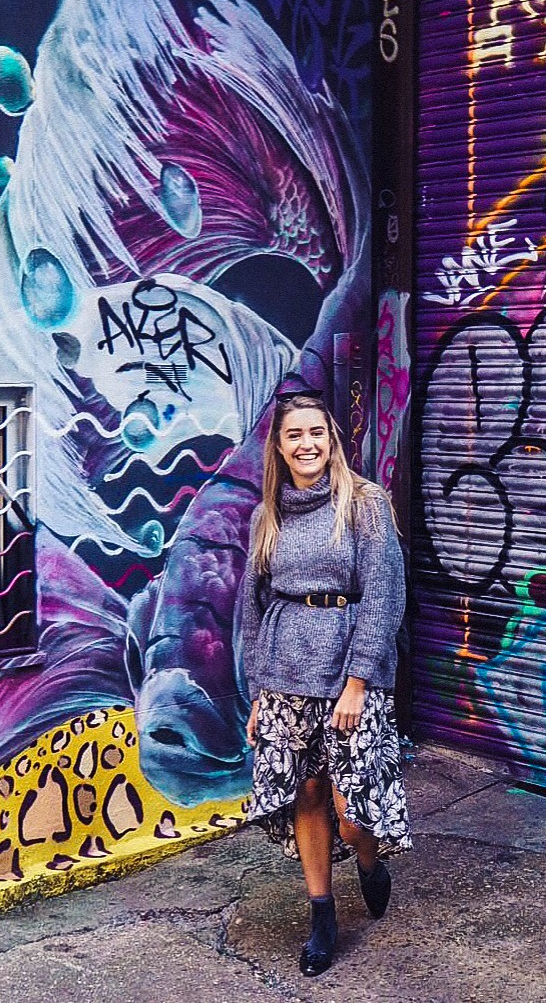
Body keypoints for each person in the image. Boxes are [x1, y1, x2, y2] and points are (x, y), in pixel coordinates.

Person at [241, 388, 411, 977]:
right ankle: (321, 913)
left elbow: (385, 595)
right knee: (307, 793)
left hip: (348, 673)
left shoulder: (364, 503)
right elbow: (253, 608)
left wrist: (359, 680)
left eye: (316, 432)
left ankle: (367, 859)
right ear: (279, 447)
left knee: (350, 806)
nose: (306, 443)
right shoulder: (268, 516)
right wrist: (259, 693)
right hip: (285, 673)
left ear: (331, 439)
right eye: (294, 435)